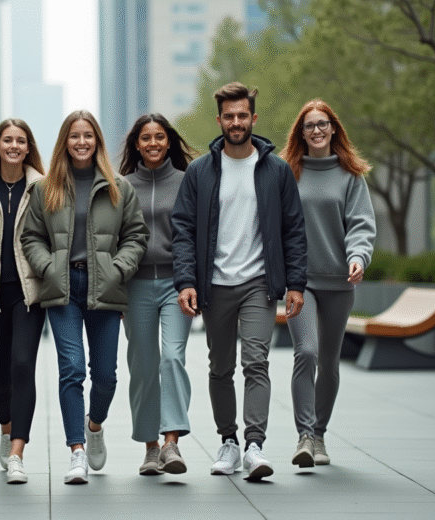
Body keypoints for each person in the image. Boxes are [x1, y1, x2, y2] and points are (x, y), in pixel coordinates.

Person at [171, 82, 307, 481]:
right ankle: (228, 441)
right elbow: (183, 229)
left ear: (253, 118)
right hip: (214, 285)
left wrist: (295, 284)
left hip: (258, 283)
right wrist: (186, 281)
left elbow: (294, 230)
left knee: (256, 362)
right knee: (220, 367)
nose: (236, 122)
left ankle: (254, 445)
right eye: (229, 116)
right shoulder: (200, 172)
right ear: (219, 120)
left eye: (242, 115)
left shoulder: (276, 170)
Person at [21, 110, 148, 484]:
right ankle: (76, 451)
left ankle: (94, 426)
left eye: (88, 136)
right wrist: (48, 267)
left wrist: (118, 269)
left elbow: (136, 236)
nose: (81, 142)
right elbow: (31, 237)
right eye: (74, 136)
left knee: (106, 376)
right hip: (63, 288)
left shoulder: (118, 187)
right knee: (72, 369)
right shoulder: (46, 189)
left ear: (97, 141)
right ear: (65, 141)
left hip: (104, 286)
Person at [279, 99, 376, 467]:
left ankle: (319, 434)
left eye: (322, 124)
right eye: (310, 125)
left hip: (339, 281)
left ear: (334, 128)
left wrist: (358, 256)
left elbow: (361, 223)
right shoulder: (288, 173)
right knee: (306, 352)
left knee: (329, 363)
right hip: (299, 282)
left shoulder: (351, 175)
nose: (317, 130)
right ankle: (304, 435)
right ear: (301, 133)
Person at [119, 114, 195, 475]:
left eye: (159, 137)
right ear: (137, 144)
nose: (153, 143)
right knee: (143, 367)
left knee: (173, 358)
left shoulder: (185, 181)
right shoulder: (122, 186)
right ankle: (150, 448)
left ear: (169, 142)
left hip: (175, 284)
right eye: (146, 138)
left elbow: (193, 235)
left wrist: (192, 282)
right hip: (134, 287)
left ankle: (171, 443)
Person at [0, 119, 48, 484]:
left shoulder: (43, 187)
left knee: (22, 366)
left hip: (28, 294)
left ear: (28, 146)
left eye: (21, 140)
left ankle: (18, 451)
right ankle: (6, 427)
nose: (14, 146)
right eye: (8, 140)